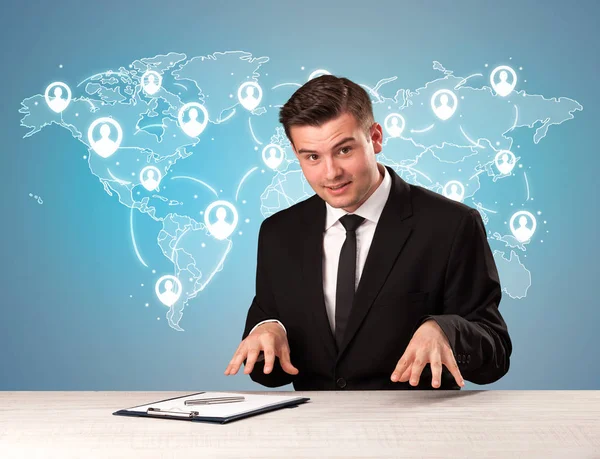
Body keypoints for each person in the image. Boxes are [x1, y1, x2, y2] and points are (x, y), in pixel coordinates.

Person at [224, 75, 512, 390]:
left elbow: (495, 355)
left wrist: (445, 330)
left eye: (344, 150)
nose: (331, 173)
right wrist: (268, 329)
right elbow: (270, 372)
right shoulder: (279, 234)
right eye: (312, 157)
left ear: (375, 138)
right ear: (296, 154)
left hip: (416, 430)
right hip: (313, 429)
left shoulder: (452, 225)